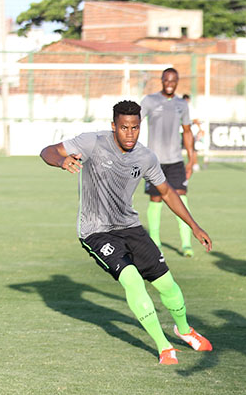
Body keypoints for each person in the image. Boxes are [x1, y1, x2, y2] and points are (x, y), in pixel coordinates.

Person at [40, 100, 213, 365]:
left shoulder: (145, 157)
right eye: (124, 128)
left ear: (140, 126)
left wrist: (194, 226)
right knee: (131, 279)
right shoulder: (92, 142)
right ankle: (164, 346)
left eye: (134, 127)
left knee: (167, 284)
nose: (129, 133)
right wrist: (61, 161)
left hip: (130, 227)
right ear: (114, 127)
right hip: (96, 231)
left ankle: (185, 330)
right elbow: (48, 150)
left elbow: (167, 192)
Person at [141, 68, 197, 256]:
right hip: (153, 162)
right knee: (156, 199)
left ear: (177, 81)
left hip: (175, 161)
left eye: (173, 81)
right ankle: (155, 243)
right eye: (167, 80)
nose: (170, 84)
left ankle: (186, 244)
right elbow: (134, 123)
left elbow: (187, 132)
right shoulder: (149, 101)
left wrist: (191, 158)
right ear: (162, 80)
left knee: (181, 199)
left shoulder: (182, 104)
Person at [182, 93, 205, 173]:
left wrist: (200, 129)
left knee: (192, 149)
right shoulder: (182, 107)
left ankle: (194, 164)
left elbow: (195, 120)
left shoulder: (190, 108)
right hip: (181, 132)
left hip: (189, 132)